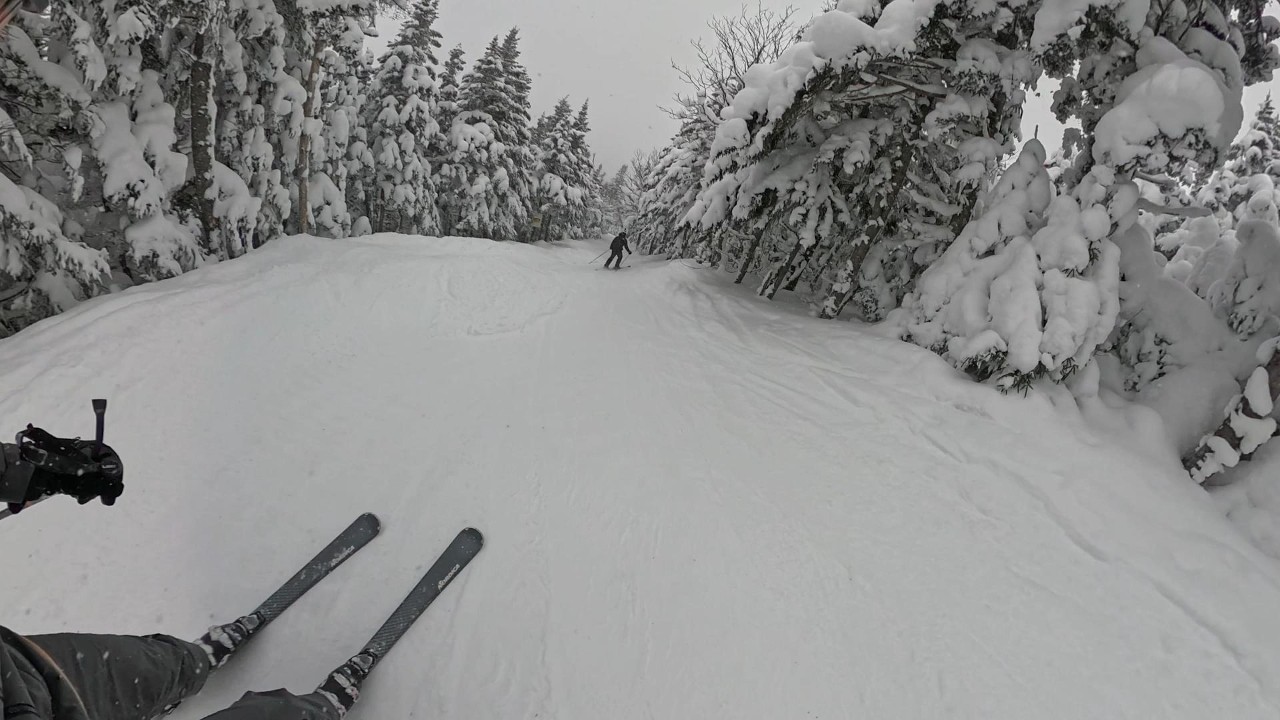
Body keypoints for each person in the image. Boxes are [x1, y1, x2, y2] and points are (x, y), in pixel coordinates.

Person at [0, 419, 370, 720]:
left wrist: (34, 470)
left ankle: (193, 662)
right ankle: (315, 713)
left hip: (32, 674)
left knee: (149, 668)